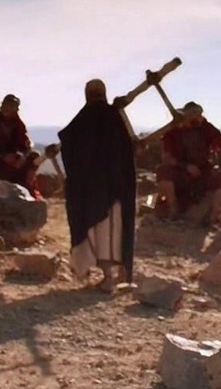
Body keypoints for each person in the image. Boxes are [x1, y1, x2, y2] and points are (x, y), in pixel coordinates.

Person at [60, 79, 137, 292]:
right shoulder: (114, 117)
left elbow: (69, 144)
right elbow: (128, 151)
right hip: (116, 188)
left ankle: (109, 278)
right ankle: (119, 275)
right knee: (114, 231)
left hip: (93, 190)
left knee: (101, 233)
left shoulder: (84, 119)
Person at [157, 101, 221, 225]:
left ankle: (212, 216)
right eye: (193, 113)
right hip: (180, 173)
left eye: (199, 113)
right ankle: (174, 209)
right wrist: (185, 166)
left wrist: (220, 165)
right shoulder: (173, 133)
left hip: (203, 173)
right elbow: (166, 158)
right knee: (163, 172)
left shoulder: (206, 129)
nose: (197, 117)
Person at [0, 94, 41, 197]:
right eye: (6, 105)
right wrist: (3, 156)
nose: (8, 108)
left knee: (35, 156)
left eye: (11, 106)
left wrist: (23, 157)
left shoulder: (19, 124)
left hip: (12, 160)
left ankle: (29, 187)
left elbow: (27, 144)